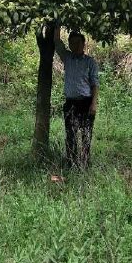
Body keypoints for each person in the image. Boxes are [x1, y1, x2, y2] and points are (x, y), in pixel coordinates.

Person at [54, 25, 99, 167]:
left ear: (83, 44)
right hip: (70, 103)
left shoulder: (90, 62)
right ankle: (71, 163)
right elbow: (57, 42)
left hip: (86, 103)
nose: (75, 46)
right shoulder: (67, 58)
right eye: (72, 43)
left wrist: (93, 103)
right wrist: (57, 23)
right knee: (71, 135)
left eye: (78, 43)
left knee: (86, 134)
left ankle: (85, 163)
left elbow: (95, 84)